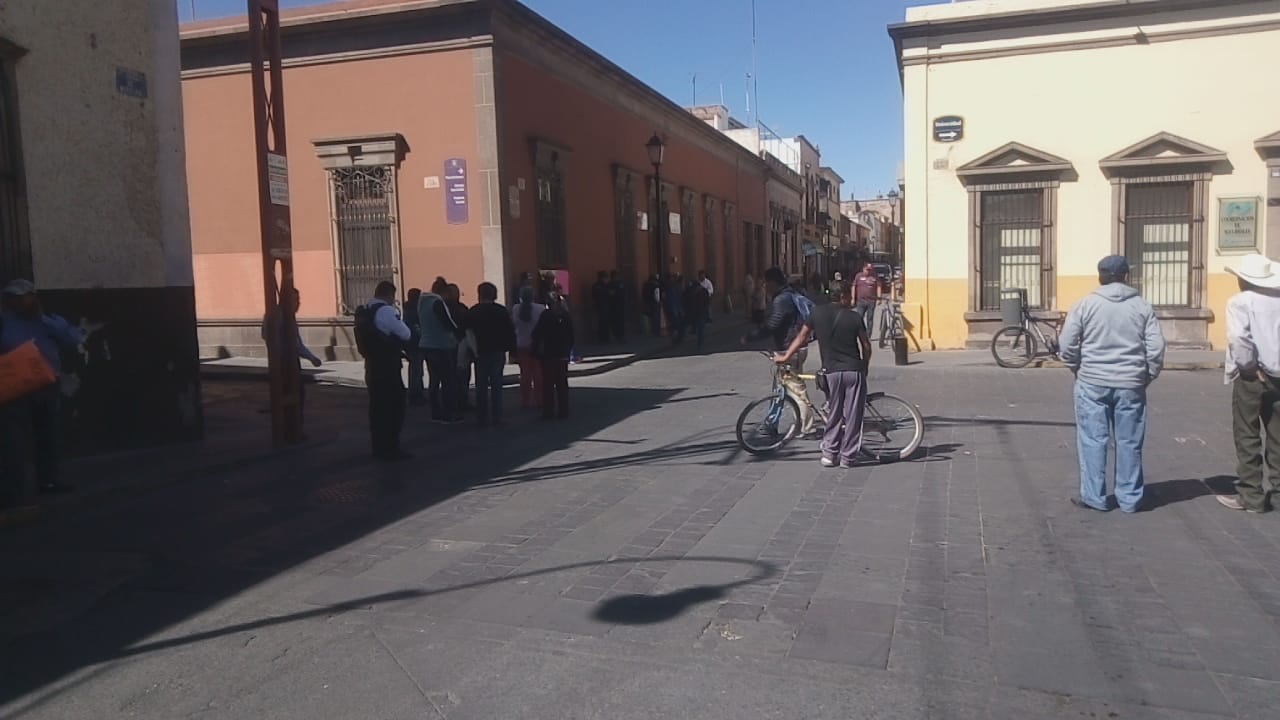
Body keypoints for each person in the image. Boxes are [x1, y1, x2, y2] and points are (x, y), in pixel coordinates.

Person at [1060, 255, 1166, 513]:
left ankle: (1094, 496)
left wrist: (1075, 366)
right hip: (1131, 382)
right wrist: (1148, 374)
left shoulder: (1085, 305)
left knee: (1092, 439)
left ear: (1100, 276)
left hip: (1092, 381)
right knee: (1129, 441)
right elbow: (1156, 347)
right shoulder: (1142, 306)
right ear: (1126, 276)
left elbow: (1067, 343)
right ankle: (1129, 497)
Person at [0, 279, 84, 505]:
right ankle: (12, 491)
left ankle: (48, 480)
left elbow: (72, 339)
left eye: (22, 297)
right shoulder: (4, 322)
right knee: (12, 440)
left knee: (48, 435)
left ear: (32, 298)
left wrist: (44, 319)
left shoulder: (48, 322)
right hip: (15, 387)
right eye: (12, 298)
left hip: (46, 384)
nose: (17, 302)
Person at [775, 280, 872, 468]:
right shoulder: (854, 317)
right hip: (853, 370)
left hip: (831, 372)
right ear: (843, 296)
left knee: (834, 412)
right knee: (853, 415)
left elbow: (802, 337)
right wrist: (864, 365)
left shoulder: (816, 313)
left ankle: (829, 453)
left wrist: (786, 355)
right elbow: (866, 346)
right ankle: (848, 457)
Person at [1217, 253, 1280, 513]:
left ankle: (1251, 495)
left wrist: (1249, 367)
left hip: (1253, 376)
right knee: (1278, 436)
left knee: (1247, 434)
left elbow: (1239, 339)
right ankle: (1278, 492)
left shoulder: (1240, 302)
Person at [742, 266, 819, 438]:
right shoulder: (789, 294)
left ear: (772, 282)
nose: (764, 286)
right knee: (780, 387)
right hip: (792, 347)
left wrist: (751, 337)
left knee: (796, 390)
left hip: (790, 349)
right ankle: (772, 422)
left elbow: (773, 325)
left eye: (765, 282)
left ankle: (808, 427)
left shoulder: (781, 300)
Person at [356, 280, 412, 461]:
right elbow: (405, 333)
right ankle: (391, 447)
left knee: (377, 408)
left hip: (371, 364)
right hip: (388, 364)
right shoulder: (386, 311)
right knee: (394, 406)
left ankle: (378, 447)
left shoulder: (365, 310)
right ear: (390, 295)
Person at [260, 286, 322, 412]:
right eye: (295, 300)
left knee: (297, 395)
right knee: (290, 396)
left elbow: (297, 343)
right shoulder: (278, 315)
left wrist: (311, 357)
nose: (298, 303)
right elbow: (268, 335)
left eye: (298, 300)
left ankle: (295, 426)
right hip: (283, 363)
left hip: (291, 362)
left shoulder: (290, 318)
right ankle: (288, 427)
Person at [464, 282, 516, 427]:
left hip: (479, 352)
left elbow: (466, 331)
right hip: (497, 351)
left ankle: (481, 417)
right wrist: (511, 349)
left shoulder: (473, 311)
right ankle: (497, 417)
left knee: (481, 385)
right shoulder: (501, 310)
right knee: (496, 385)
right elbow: (509, 330)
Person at [417, 277, 463, 424]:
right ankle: (448, 413)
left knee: (434, 380)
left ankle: (435, 412)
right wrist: (458, 333)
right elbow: (447, 323)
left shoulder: (422, 302)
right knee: (448, 380)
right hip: (441, 345)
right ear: (443, 291)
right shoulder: (437, 302)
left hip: (426, 343)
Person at [532, 292, 575, 419]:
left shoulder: (545, 315)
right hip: (562, 353)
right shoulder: (566, 315)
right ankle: (564, 411)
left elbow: (537, 334)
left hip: (548, 354)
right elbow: (572, 335)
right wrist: (568, 349)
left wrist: (535, 350)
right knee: (562, 383)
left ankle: (548, 412)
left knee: (548, 384)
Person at [512, 286, 546, 410]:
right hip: (536, 345)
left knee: (525, 374)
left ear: (520, 297)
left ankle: (525, 401)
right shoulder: (540, 308)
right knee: (538, 374)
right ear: (533, 296)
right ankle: (540, 400)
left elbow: (514, 325)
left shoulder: (515, 309)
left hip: (521, 344)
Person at [446, 283, 473, 414]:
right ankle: (462, 401)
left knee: (457, 375)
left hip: (453, 344)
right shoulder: (460, 309)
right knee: (461, 374)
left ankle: (459, 401)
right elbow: (468, 325)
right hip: (460, 343)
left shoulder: (444, 308)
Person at [403, 288, 426, 405]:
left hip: (410, 343)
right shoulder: (414, 310)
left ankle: (417, 392)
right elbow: (416, 327)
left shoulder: (407, 309)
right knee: (416, 369)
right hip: (416, 343)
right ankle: (415, 393)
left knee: (415, 368)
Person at [684, 275, 711, 352]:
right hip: (701, 313)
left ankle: (699, 342)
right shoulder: (704, 291)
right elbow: (707, 303)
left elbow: (688, 302)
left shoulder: (692, 292)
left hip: (695, 313)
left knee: (698, 327)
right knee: (701, 329)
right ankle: (700, 343)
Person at [853, 264, 879, 328]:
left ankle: (868, 335)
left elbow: (879, 286)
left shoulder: (874, 276)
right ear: (863, 269)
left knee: (869, 318)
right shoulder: (858, 276)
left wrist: (879, 298)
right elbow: (854, 286)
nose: (868, 271)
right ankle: (860, 332)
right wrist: (853, 298)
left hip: (871, 301)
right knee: (859, 317)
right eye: (867, 270)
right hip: (861, 301)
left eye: (870, 270)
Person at [664, 273, 686, 344]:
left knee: (677, 324)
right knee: (677, 323)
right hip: (676, 308)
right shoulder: (673, 287)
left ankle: (678, 338)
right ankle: (678, 338)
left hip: (676, 308)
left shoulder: (674, 287)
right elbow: (673, 299)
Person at [591, 271, 611, 344]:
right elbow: (595, 296)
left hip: (606, 306)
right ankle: (602, 339)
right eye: (605, 278)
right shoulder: (597, 286)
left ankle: (606, 338)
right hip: (600, 307)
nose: (606, 279)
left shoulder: (605, 286)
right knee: (601, 323)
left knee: (606, 323)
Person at [607, 270, 626, 343]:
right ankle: (617, 336)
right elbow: (610, 294)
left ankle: (621, 336)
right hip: (613, 306)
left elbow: (624, 292)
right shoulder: (610, 285)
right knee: (615, 322)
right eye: (615, 276)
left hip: (620, 305)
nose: (617, 277)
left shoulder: (621, 283)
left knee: (621, 321)